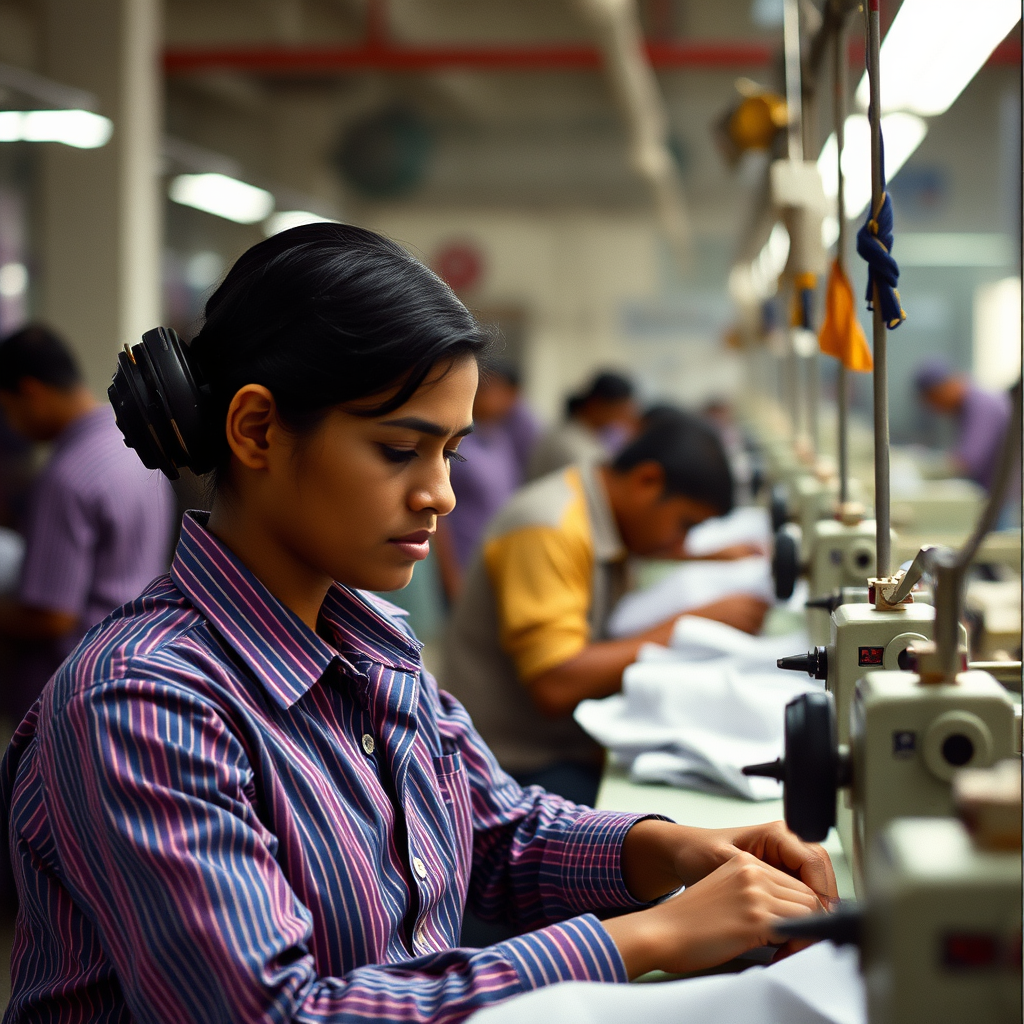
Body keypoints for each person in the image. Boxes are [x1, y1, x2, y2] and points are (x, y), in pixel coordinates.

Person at [442, 413, 770, 808]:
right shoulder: (550, 528)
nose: (678, 541)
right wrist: (690, 625)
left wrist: (708, 557)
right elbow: (555, 683)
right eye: (684, 525)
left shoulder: (597, 507)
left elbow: (652, 542)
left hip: (558, 745)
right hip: (508, 765)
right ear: (647, 481)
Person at [0, 324, 175, 724]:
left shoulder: (66, 476)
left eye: (7, 408)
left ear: (31, 393)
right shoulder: (133, 447)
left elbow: (52, 616)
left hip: (71, 690)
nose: (11, 423)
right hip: (137, 664)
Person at [434, 359, 540, 600]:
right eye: (485, 389)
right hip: (461, 562)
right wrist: (451, 576)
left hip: (493, 563)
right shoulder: (455, 441)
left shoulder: (501, 436)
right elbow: (439, 518)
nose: (500, 399)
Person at [527, 370, 639, 480]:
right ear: (596, 404)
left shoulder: (585, 435)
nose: (621, 418)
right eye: (619, 411)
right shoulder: (570, 446)